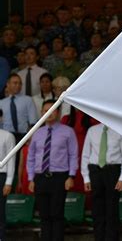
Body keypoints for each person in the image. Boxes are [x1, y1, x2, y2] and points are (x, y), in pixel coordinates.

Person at [27, 99, 78, 241]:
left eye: (52, 110)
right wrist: (31, 178)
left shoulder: (68, 132)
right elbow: (31, 157)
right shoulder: (37, 133)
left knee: (57, 214)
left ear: (58, 112)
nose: (48, 113)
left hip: (59, 177)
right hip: (40, 177)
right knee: (44, 215)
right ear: (41, 112)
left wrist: (71, 176)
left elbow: (73, 155)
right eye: (45, 110)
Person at [81, 123, 122, 241]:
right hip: (95, 170)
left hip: (113, 171)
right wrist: (86, 177)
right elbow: (85, 155)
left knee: (112, 209)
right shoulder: (92, 130)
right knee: (97, 210)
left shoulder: (121, 130)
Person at [0, 74, 38, 142]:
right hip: (6, 136)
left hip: (24, 136)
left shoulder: (28, 100)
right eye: (15, 83)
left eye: (20, 83)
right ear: (8, 84)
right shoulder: (1, 103)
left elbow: (33, 121)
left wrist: (30, 137)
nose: (18, 85)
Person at [0, 128, 16, 240]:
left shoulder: (7, 136)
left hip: (1, 175)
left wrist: (9, 181)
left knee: (0, 211)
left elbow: (11, 160)